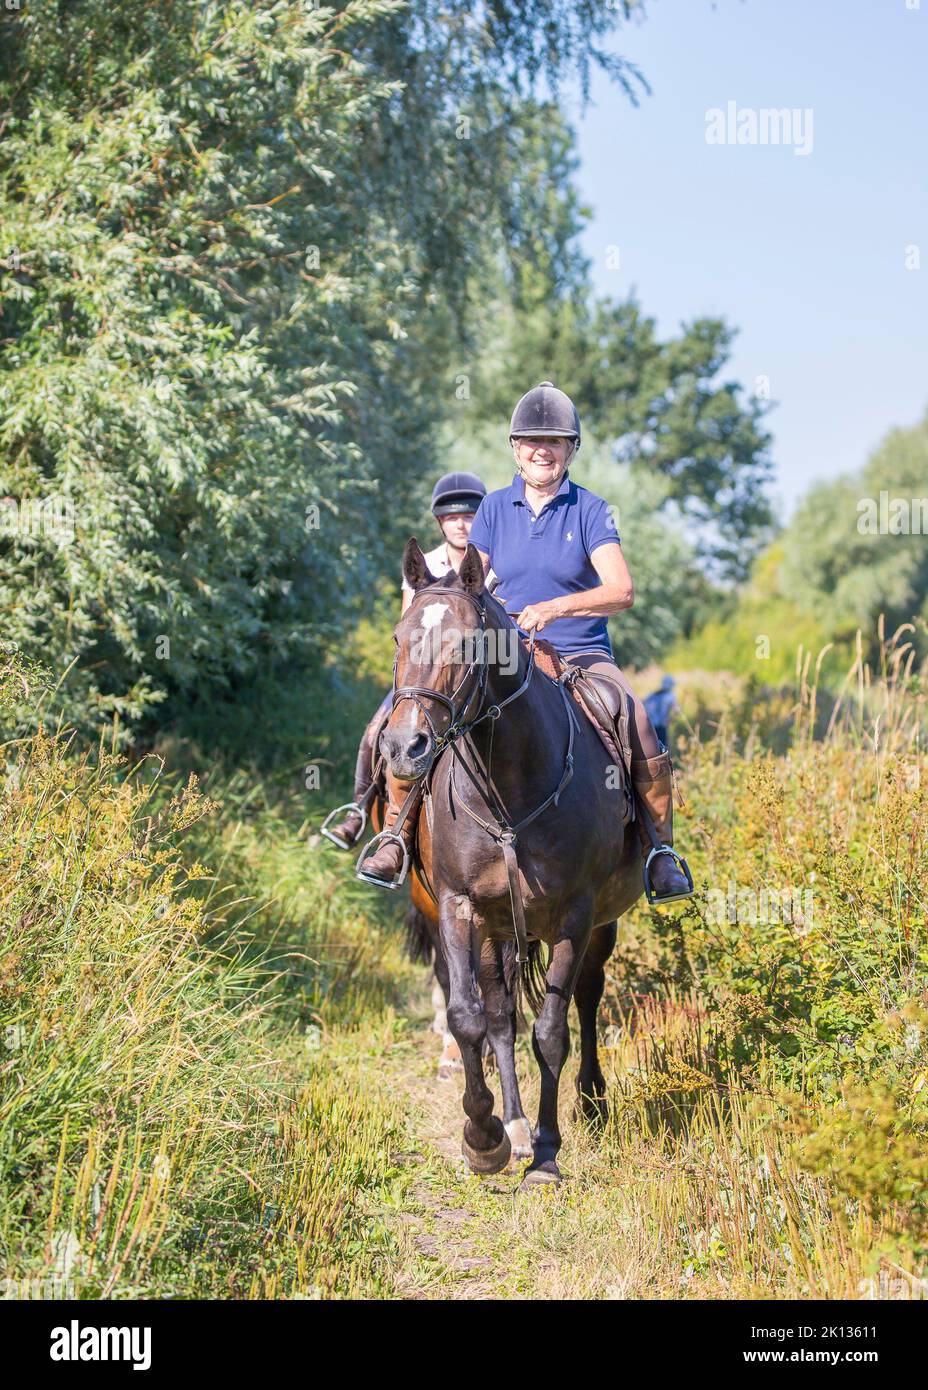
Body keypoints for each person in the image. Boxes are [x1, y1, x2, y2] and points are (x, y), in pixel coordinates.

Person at [356, 382, 693, 905]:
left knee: (635, 717)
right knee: (434, 717)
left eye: (555, 441)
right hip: (507, 654)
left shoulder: (592, 510)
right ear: (515, 449)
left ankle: (659, 852)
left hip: (580, 654)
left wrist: (556, 608)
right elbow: (475, 581)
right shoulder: (493, 509)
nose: (542, 449)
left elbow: (621, 590)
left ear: (571, 450)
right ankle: (396, 836)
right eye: (532, 440)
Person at [321, 471, 487, 851]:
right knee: (375, 728)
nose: (461, 524)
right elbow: (410, 625)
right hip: (423, 670)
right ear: (440, 522)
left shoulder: (490, 564)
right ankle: (359, 810)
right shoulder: (425, 563)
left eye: (470, 516)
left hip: (469, 671)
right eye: (452, 517)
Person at [644, 675, 677, 751]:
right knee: (663, 749)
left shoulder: (653, 694)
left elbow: (643, 704)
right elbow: (676, 711)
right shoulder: (671, 696)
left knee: (651, 747)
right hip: (661, 725)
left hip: (650, 725)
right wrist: (670, 719)